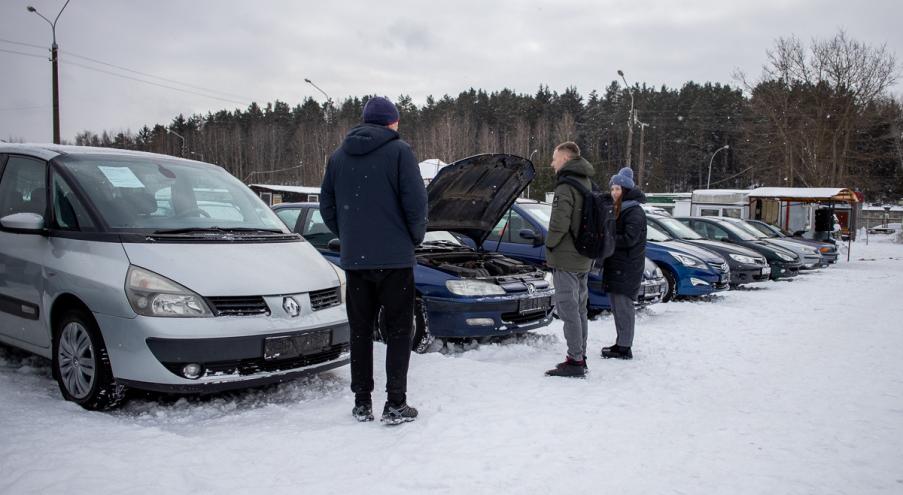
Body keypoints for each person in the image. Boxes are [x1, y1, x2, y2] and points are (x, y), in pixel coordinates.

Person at [320, 96, 428, 425]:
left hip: (355, 262)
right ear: (391, 122)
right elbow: (416, 204)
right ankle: (395, 403)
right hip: (394, 261)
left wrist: (351, 236)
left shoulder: (338, 157)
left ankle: (361, 402)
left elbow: (327, 206)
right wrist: (413, 238)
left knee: (361, 331)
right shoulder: (400, 152)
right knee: (398, 331)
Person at [543, 142, 595, 378]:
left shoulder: (565, 187)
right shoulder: (586, 182)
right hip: (584, 256)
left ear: (564, 158)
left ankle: (574, 360)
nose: (552, 163)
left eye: (554, 158)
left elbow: (559, 224)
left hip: (566, 258)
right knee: (580, 309)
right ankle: (580, 355)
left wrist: (549, 244)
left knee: (568, 310)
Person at [600, 167, 646, 360]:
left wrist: (607, 238)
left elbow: (629, 239)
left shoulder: (634, 211)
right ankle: (621, 343)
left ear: (626, 190)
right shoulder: (620, 208)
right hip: (617, 265)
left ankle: (624, 347)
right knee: (618, 308)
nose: (614, 192)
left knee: (623, 308)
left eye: (618, 189)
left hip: (626, 267)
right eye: (612, 189)